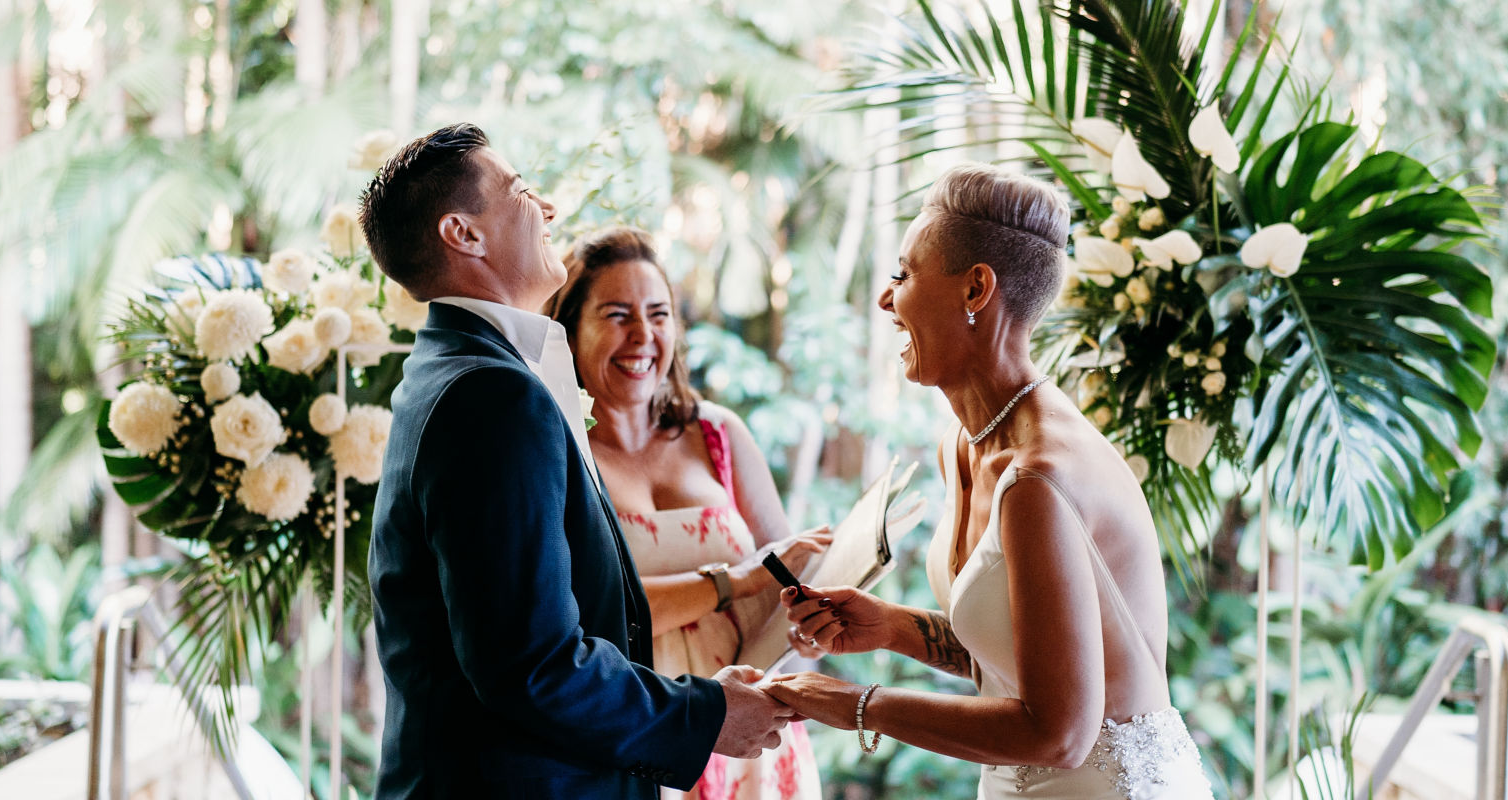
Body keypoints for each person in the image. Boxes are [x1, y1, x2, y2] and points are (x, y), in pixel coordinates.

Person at [360, 123, 793, 800]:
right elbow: (532, 666)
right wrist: (703, 714)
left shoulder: (451, 370)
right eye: (521, 192)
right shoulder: (492, 394)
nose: (549, 209)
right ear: (462, 233)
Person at [760, 164, 1215, 799]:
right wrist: (892, 628)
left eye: (903, 275)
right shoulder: (965, 446)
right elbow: (1023, 665)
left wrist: (852, 704)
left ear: (976, 289)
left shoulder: (1039, 477)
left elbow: (1058, 734)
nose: (886, 301)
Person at [547, 227, 830, 800]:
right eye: (617, 315)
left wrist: (811, 620)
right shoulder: (559, 454)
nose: (643, 336)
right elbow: (587, 614)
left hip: (755, 740)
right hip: (644, 741)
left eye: (658, 313)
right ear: (569, 330)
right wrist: (738, 580)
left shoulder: (719, 433)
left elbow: (785, 581)